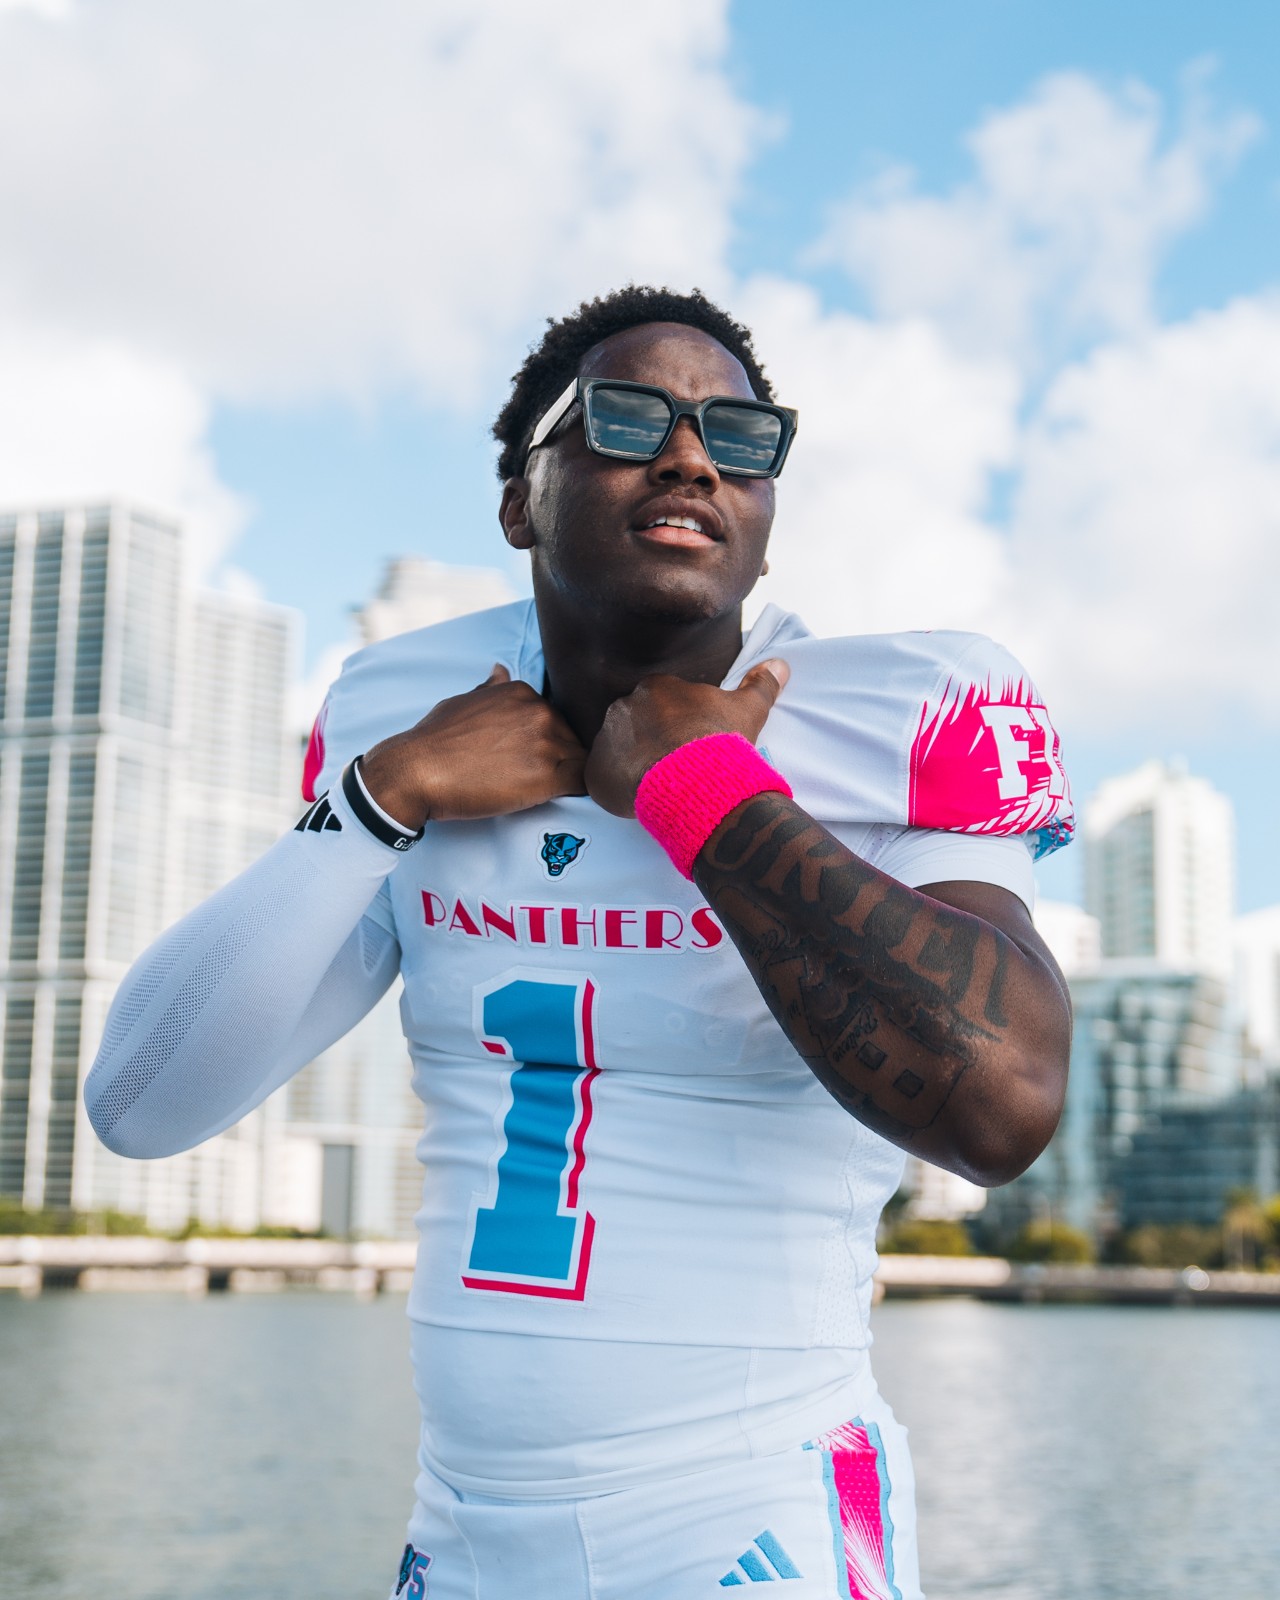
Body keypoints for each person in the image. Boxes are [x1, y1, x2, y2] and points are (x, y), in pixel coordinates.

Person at [85, 285, 1073, 1600]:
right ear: (519, 501)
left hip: (753, 1518)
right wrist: (381, 797)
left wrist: (707, 797)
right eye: (627, 417)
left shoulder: (910, 708)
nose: (690, 457)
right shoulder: (401, 707)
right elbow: (141, 1105)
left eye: (738, 435)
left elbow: (1004, 1108)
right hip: (461, 1532)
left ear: (767, 522)